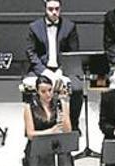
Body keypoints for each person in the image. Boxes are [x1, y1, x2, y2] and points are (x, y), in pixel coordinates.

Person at [26, 0, 83, 131]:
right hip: (41, 69)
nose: (54, 12)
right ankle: (36, 126)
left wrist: (60, 71)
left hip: (63, 69)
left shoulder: (69, 26)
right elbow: (31, 53)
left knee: (77, 89)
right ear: (45, 9)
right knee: (29, 88)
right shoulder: (34, 27)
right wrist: (45, 72)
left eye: (57, 9)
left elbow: (73, 53)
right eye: (50, 9)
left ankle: (73, 125)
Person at [23, 76, 76, 166]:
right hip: (38, 144)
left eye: (50, 90)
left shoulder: (60, 103)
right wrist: (50, 131)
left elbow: (68, 130)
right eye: (43, 91)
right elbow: (30, 134)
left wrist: (64, 106)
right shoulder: (29, 106)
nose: (48, 94)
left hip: (57, 144)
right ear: (37, 92)